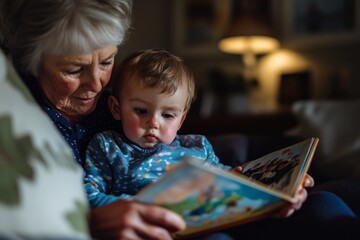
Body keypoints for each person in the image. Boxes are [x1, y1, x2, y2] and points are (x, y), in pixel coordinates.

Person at [0, 0, 357, 239]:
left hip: (205, 203)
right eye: (74, 69)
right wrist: (92, 219)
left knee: (326, 202)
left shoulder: (120, 99)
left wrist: (266, 187)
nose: (98, 85)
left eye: (107, 62)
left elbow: (209, 166)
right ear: (27, 61)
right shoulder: (23, 121)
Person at [83, 48, 232, 207]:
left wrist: (239, 175)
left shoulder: (197, 146)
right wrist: (134, 207)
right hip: (141, 224)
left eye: (167, 115)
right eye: (141, 111)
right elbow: (88, 194)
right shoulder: (108, 147)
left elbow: (223, 177)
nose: (153, 122)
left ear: (181, 120)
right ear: (116, 109)